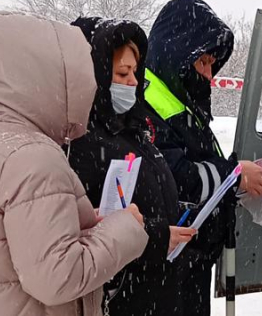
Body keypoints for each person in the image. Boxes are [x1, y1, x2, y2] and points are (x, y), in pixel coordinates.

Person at [0, 11, 148, 316]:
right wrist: (124, 229)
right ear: (45, 76)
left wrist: (81, 222)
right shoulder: (32, 156)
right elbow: (58, 277)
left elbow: (10, 244)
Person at [143, 0, 262, 316]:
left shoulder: (181, 100)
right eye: (203, 62)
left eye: (213, 65)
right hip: (167, 264)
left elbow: (200, 165)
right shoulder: (149, 100)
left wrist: (233, 179)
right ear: (178, 53)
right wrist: (233, 175)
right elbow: (173, 176)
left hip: (190, 258)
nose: (209, 74)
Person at [67, 16, 197, 316]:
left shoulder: (135, 132)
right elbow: (86, 233)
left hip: (156, 295)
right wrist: (157, 238)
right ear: (95, 75)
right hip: (124, 300)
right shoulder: (82, 143)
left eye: (135, 72)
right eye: (123, 73)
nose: (134, 82)